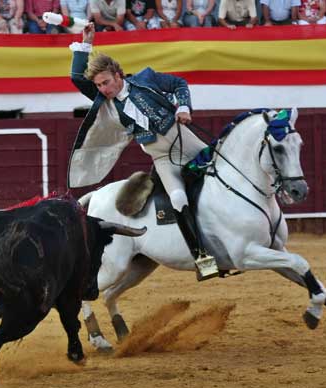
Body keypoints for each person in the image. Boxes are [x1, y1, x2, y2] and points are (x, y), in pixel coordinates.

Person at [68, 23, 219, 281]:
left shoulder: (146, 78)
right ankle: (202, 257)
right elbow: (75, 77)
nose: (104, 89)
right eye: (99, 85)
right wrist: (85, 44)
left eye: (106, 82)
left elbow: (178, 84)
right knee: (179, 198)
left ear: (118, 75)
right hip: (161, 158)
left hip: (187, 142)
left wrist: (183, 107)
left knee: (225, 176)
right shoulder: (106, 102)